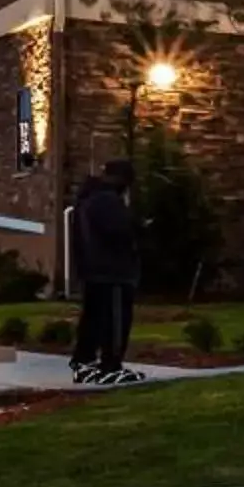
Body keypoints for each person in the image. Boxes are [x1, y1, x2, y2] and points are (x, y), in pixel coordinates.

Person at [67, 159, 144, 387]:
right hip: (113, 271)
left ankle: (84, 360)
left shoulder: (87, 199)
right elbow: (120, 232)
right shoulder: (108, 201)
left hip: (92, 270)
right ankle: (111, 365)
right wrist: (139, 228)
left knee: (93, 317)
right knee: (115, 319)